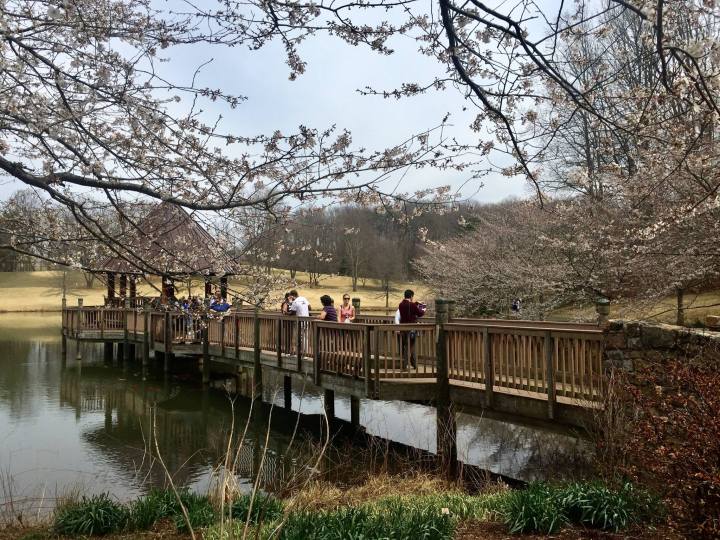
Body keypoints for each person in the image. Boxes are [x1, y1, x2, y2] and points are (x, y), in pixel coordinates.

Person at [398, 289, 427, 369]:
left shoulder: (401, 304)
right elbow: (420, 313)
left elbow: (409, 307)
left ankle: (414, 365)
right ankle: (404, 366)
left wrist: (416, 303)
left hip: (402, 328)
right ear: (411, 296)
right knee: (409, 347)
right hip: (412, 329)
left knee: (409, 346)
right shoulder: (412, 305)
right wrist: (424, 308)